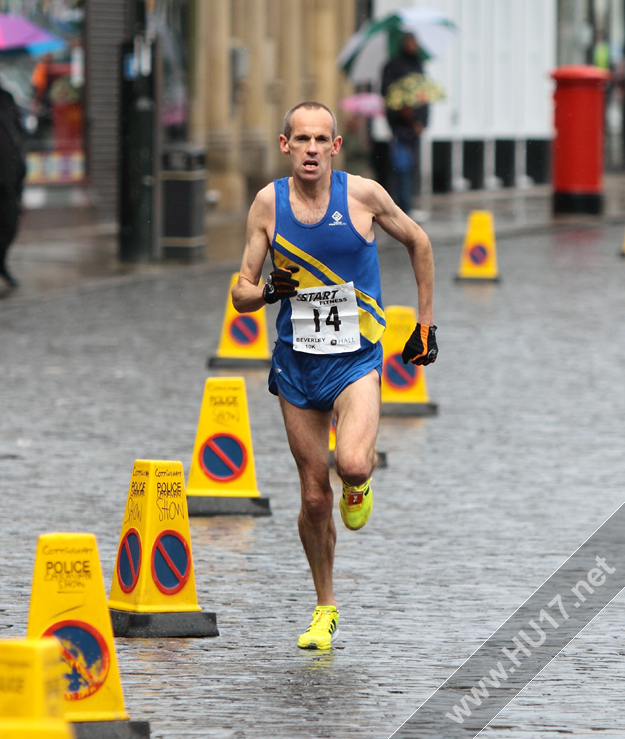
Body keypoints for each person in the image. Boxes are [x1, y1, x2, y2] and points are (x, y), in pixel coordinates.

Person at [231, 101, 437, 650]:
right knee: (314, 497)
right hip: (297, 368)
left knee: (349, 463)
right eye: (302, 140)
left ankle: (360, 481)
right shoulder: (267, 205)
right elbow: (241, 290)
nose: (312, 150)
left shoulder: (364, 196)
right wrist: (266, 292)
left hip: (355, 360)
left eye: (322, 140)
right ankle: (325, 608)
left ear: (336, 147)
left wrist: (424, 325)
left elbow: (419, 241)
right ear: (285, 146)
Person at [381, 32, 429, 216]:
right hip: (400, 127)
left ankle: (409, 204)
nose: (413, 46)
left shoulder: (418, 65)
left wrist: (422, 121)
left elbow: (424, 97)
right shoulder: (393, 66)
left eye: (415, 42)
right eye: (410, 42)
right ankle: (402, 207)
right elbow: (388, 95)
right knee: (401, 167)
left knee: (411, 166)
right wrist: (400, 112)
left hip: (414, 128)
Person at [0, 80, 26, 288]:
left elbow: (19, 132)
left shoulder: (6, 98)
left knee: (10, 225)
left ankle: (1, 263)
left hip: (9, 174)